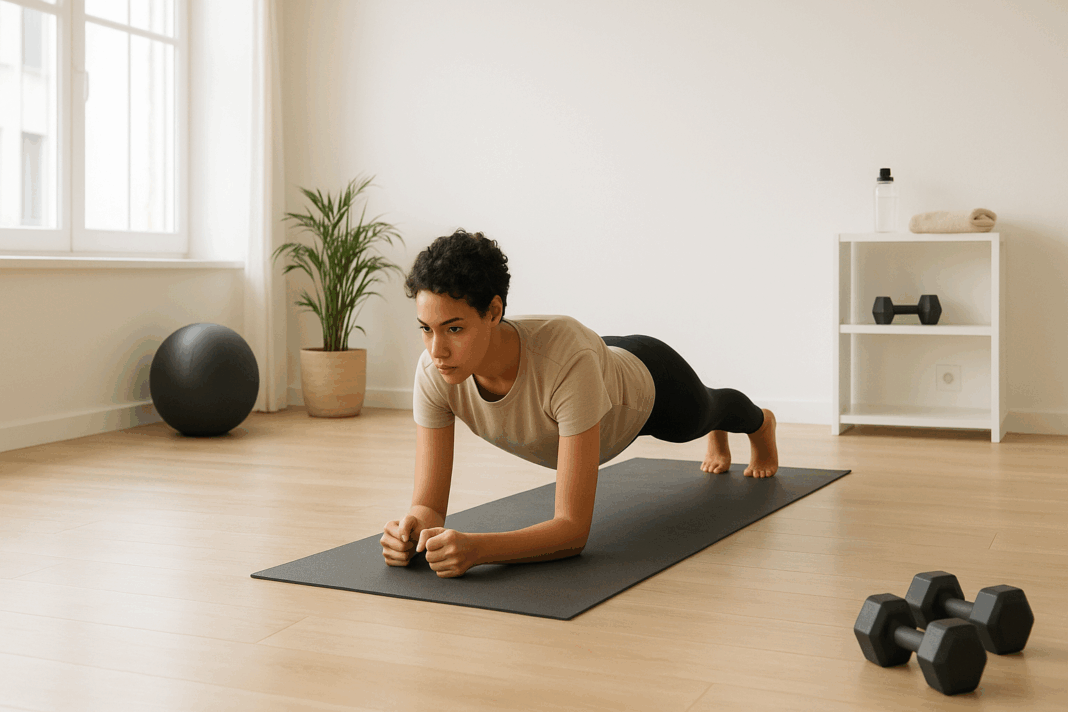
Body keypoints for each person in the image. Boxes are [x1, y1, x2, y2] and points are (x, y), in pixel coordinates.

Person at [381, 230, 779, 578]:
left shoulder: (566, 361)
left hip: (649, 384)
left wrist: (479, 549)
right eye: (426, 330)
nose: (437, 350)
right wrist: (411, 528)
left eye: (454, 329)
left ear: (494, 312)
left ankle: (761, 425)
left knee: (709, 409)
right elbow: (428, 506)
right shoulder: (434, 372)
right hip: (589, 363)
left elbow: (572, 531)